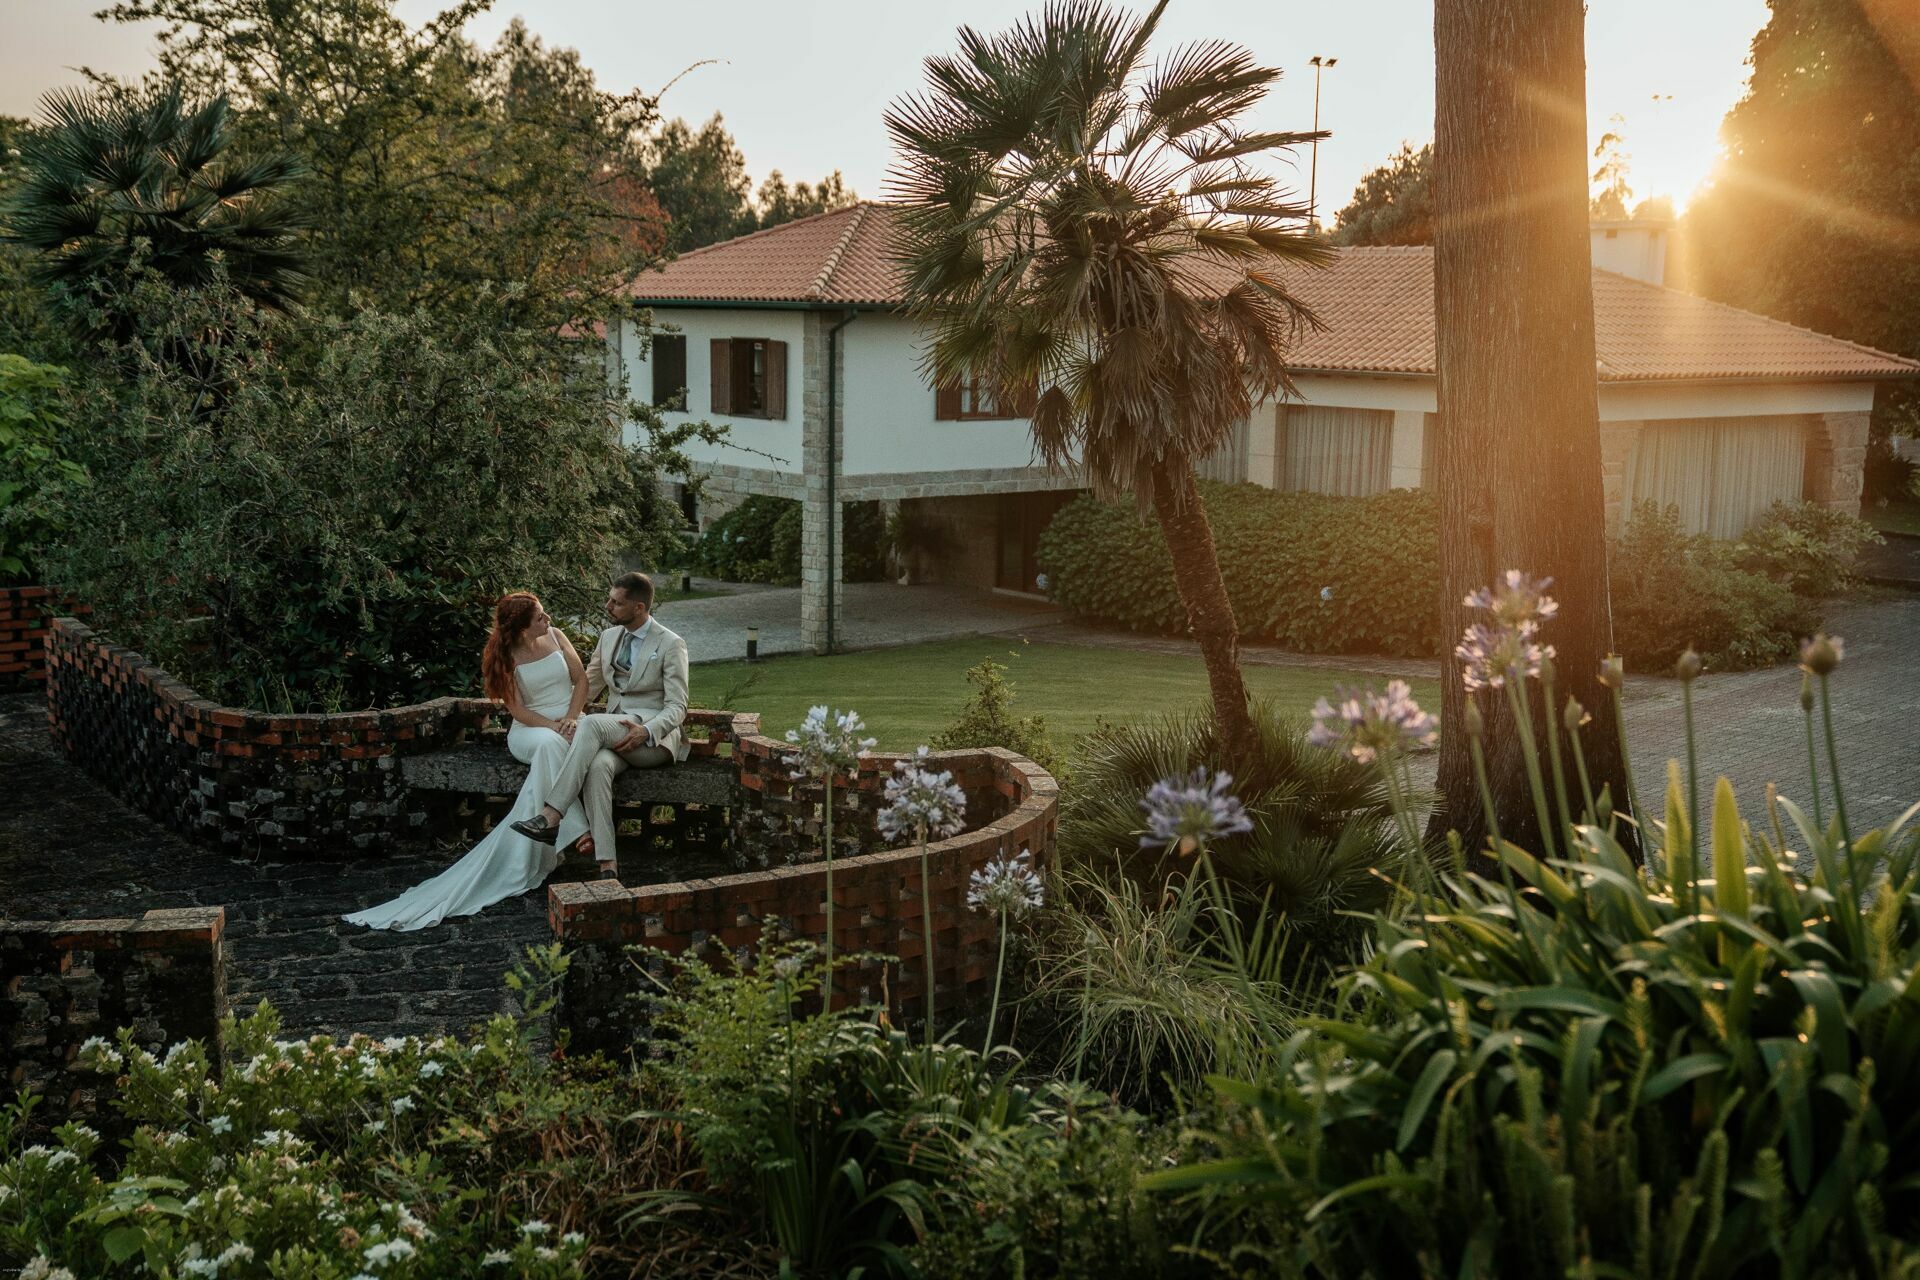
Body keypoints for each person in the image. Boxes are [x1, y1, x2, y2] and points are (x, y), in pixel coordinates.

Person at [342, 592, 592, 931]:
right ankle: (577, 831)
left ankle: (548, 826)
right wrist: (553, 727)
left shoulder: (557, 635)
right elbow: (517, 711)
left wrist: (572, 719)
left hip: (570, 721)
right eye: (540, 618)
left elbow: (582, 680)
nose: (548, 621)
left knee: (555, 750)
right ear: (521, 628)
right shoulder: (505, 656)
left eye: (545, 615)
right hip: (531, 729)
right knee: (549, 746)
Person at [510, 571, 690, 867]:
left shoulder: (670, 643)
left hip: (652, 741)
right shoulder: (608, 638)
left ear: (639, 608)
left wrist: (647, 730)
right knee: (597, 767)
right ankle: (607, 865)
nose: (607, 606)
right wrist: (557, 716)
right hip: (615, 738)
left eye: (616, 603)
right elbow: (588, 686)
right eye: (609, 599)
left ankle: (551, 815)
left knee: (591, 723)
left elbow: (678, 705)